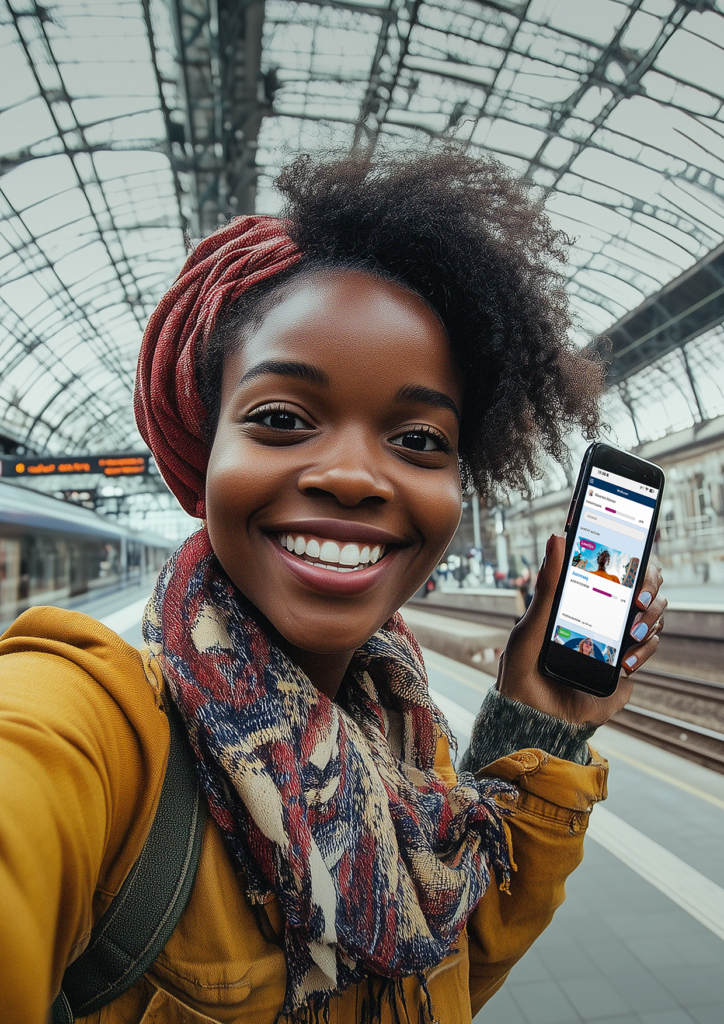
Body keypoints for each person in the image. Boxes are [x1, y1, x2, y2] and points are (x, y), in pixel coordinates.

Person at [0, 148, 667, 1024]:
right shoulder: (94, 728)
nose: (355, 476)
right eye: (281, 418)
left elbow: (444, 957)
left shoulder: (405, 733)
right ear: (205, 455)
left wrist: (543, 721)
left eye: (420, 440)